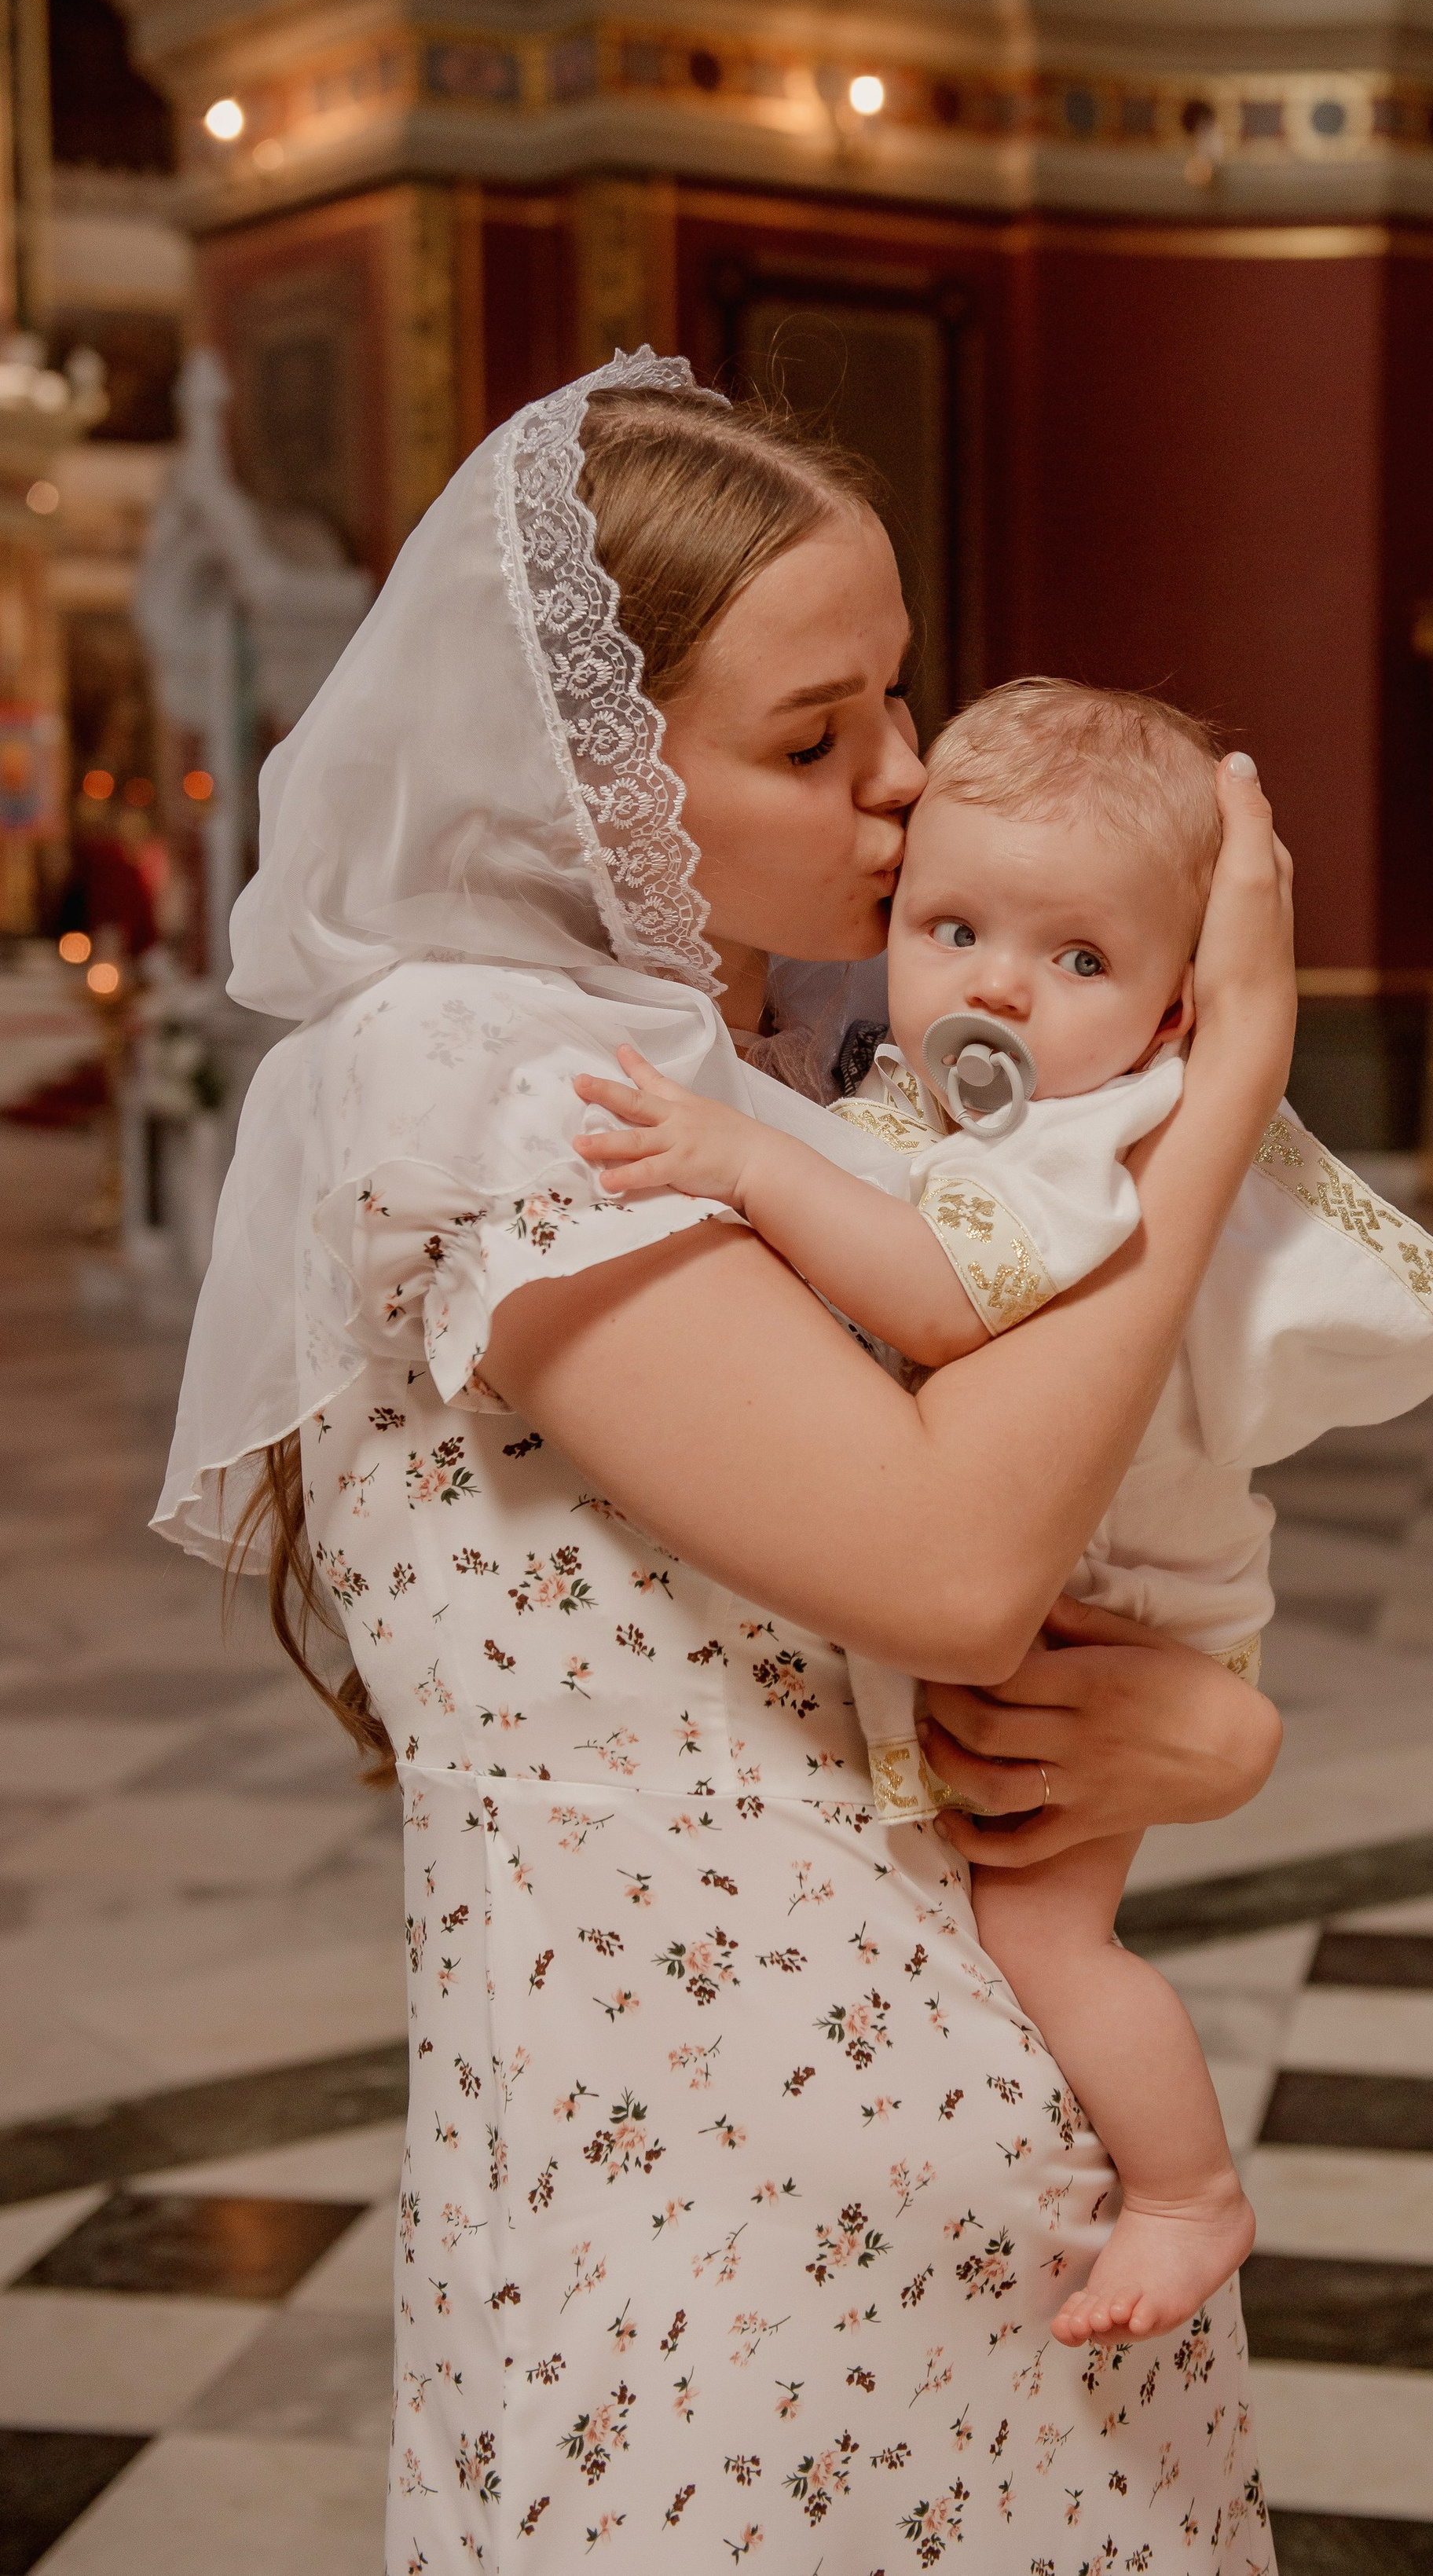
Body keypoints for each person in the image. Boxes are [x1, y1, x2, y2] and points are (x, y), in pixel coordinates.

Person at [154, 353, 1299, 2571]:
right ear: (588, 773)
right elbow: (957, 1560)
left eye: (900, 698)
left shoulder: (782, 1074)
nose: (906, 784)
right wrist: (1227, 1067)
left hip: (1002, 2170)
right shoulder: (478, 1081)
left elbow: (1025, 1576)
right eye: (813, 736)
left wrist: (1207, 1730)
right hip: (711, 2219)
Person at [570, 677, 1433, 2355]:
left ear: (1168, 1018)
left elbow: (937, 1301)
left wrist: (745, 1161)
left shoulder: (1085, 1137)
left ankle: (1185, 2190)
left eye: (1078, 960)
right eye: (952, 926)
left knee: (1046, 1934)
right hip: (1054, 1600)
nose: (995, 983)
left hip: (1120, 1608)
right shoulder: (931, 1107)